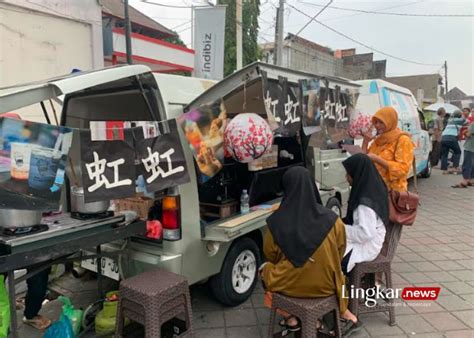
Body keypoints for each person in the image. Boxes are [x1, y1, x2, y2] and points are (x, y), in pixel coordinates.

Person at [260, 167, 361, 336]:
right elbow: (340, 250)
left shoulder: (275, 222)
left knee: (264, 270)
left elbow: (271, 255)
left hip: (288, 285)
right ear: (311, 187)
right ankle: (317, 320)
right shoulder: (333, 220)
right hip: (327, 286)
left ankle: (292, 318)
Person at [341, 154, 389, 275]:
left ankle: (340, 289)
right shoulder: (372, 186)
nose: (346, 177)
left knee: (328, 259)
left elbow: (366, 233)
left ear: (357, 174)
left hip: (367, 246)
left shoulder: (365, 203)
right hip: (369, 240)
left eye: (348, 173)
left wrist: (339, 229)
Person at [362, 107, 414, 192]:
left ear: (390, 122)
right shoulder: (378, 140)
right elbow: (364, 161)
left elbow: (403, 169)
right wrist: (365, 142)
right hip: (373, 190)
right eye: (376, 122)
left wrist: (377, 159)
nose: (377, 125)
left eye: (381, 122)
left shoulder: (403, 140)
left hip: (391, 193)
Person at [440, 110, 466, 175]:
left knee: (444, 154)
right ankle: (455, 168)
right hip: (451, 138)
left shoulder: (450, 120)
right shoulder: (460, 120)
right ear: (460, 115)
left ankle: (444, 170)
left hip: (443, 137)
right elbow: (466, 121)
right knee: (458, 152)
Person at [452, 121, 474, 188]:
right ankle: (471, 180)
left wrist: (465, 132)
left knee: (467, 164)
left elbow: (468, 134)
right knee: (472, 164)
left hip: (470, 146)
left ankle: (465, 180)